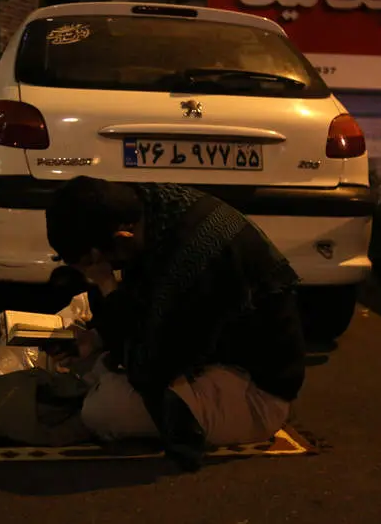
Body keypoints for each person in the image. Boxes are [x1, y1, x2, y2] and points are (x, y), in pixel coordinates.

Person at [44, 176, 306, 470]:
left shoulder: (190, 261)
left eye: (94, 263)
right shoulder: (151, 209)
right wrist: (95, 338)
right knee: (99, 372)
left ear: (121, 239)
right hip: (207, 357)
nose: (94, 273)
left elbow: (149, 367)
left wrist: (106, 283)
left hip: (256, 392)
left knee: (101, 410)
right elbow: (143, 312)